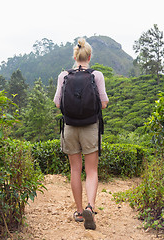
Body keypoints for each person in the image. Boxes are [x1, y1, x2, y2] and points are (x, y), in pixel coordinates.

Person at [53, 38, 109, 230]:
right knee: (92, 170)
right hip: (90, 127)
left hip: (70, 128)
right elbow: (103, 103)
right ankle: (90, 208)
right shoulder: (97, 75)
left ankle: (78, 212)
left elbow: (58, 103)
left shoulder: (63, 76)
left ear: (75, 56)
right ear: (89, 56)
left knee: (75, 169)